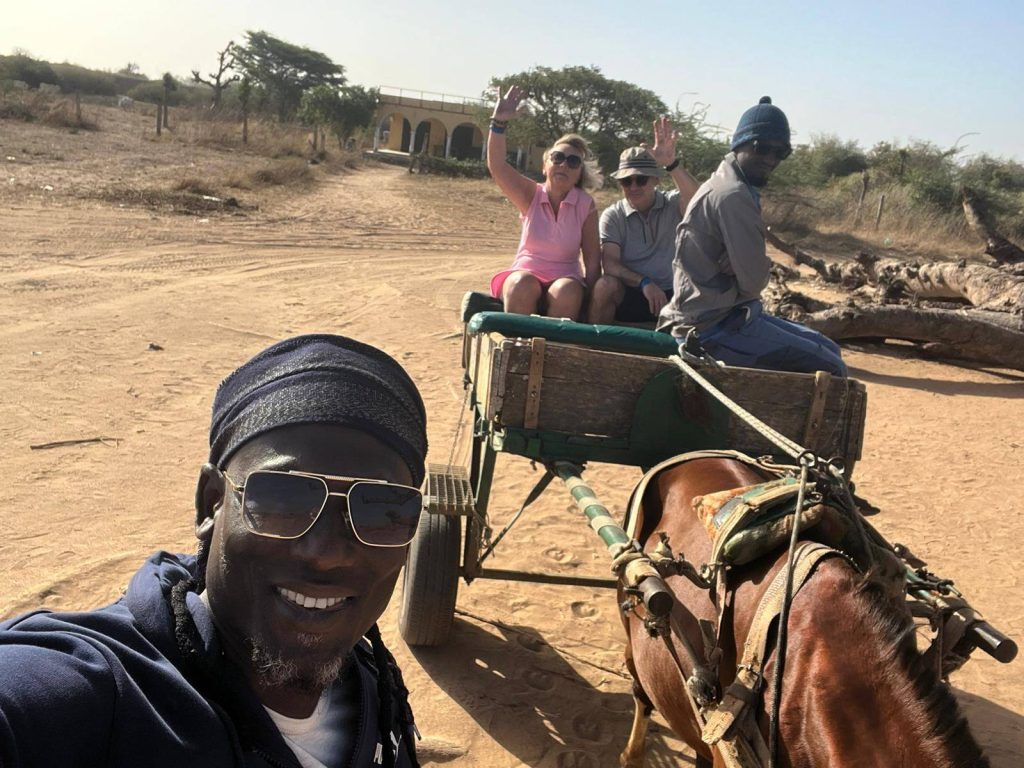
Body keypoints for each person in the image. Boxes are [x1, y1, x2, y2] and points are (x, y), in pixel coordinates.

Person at [0, 335, 428, 768]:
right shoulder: (105, 694)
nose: (327, 553)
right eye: (282, 499)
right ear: (211, 503)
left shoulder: (372, 683)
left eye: (380, 508)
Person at [659, 97, 848, 376]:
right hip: (711, 327)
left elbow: (749, 276)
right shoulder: (733, 195)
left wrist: (742, 262)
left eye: (781, 151)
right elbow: (754, 282)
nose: (771, 158)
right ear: (740, 144)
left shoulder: (732, 184)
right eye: (762, 148)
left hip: (729, 313)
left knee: (830, 349)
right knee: (832, 368)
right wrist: (750, 263)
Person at [486, 85, 601, 321]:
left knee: (567, 291)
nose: (563, 164)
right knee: (521, 284)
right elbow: (497, 166)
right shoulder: (530, 194)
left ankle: (554, 345)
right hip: (525, 273)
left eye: (573, 162)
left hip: (566, 279)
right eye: (557, 158)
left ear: (579, 173)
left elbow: (592, 260)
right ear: (544, 166)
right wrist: (498, 123)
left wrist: (590, 304)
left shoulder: (585, 204)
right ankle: (516, 342)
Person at [588, 118, 699, 324]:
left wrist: (672, 164)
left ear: (656, 180)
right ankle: (593, 342)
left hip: (673, 295)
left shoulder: (673, 204)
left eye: (641, 179)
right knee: (604, 286)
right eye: (626, 181)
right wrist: (644, 282)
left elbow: (698, 200)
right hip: (633, 292)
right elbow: (610, 264)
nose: (633, 187)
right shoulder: (613, 215)